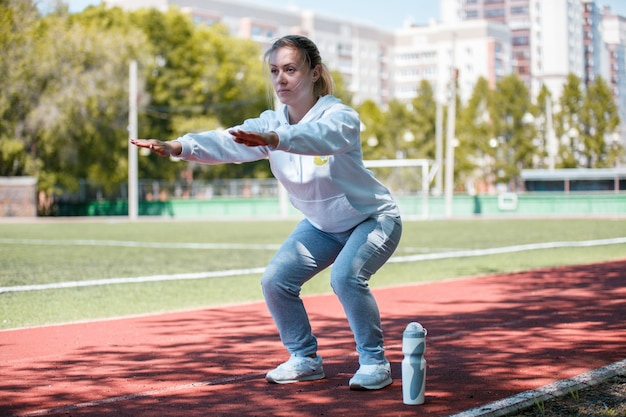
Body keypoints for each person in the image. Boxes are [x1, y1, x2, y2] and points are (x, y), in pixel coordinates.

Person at [131, 35, 402, 391]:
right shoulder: (268, 123)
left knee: (345, 278)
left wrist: (277, 140)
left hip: (373, 219)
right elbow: (226, 141)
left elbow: (321, 137)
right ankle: (305, 359)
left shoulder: (340, 116)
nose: (280, 79)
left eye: (290, 69)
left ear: (314, 72)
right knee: (276, 281)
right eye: (274, 70)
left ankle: (374, 362)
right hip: (323, 226)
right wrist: (178, 146)